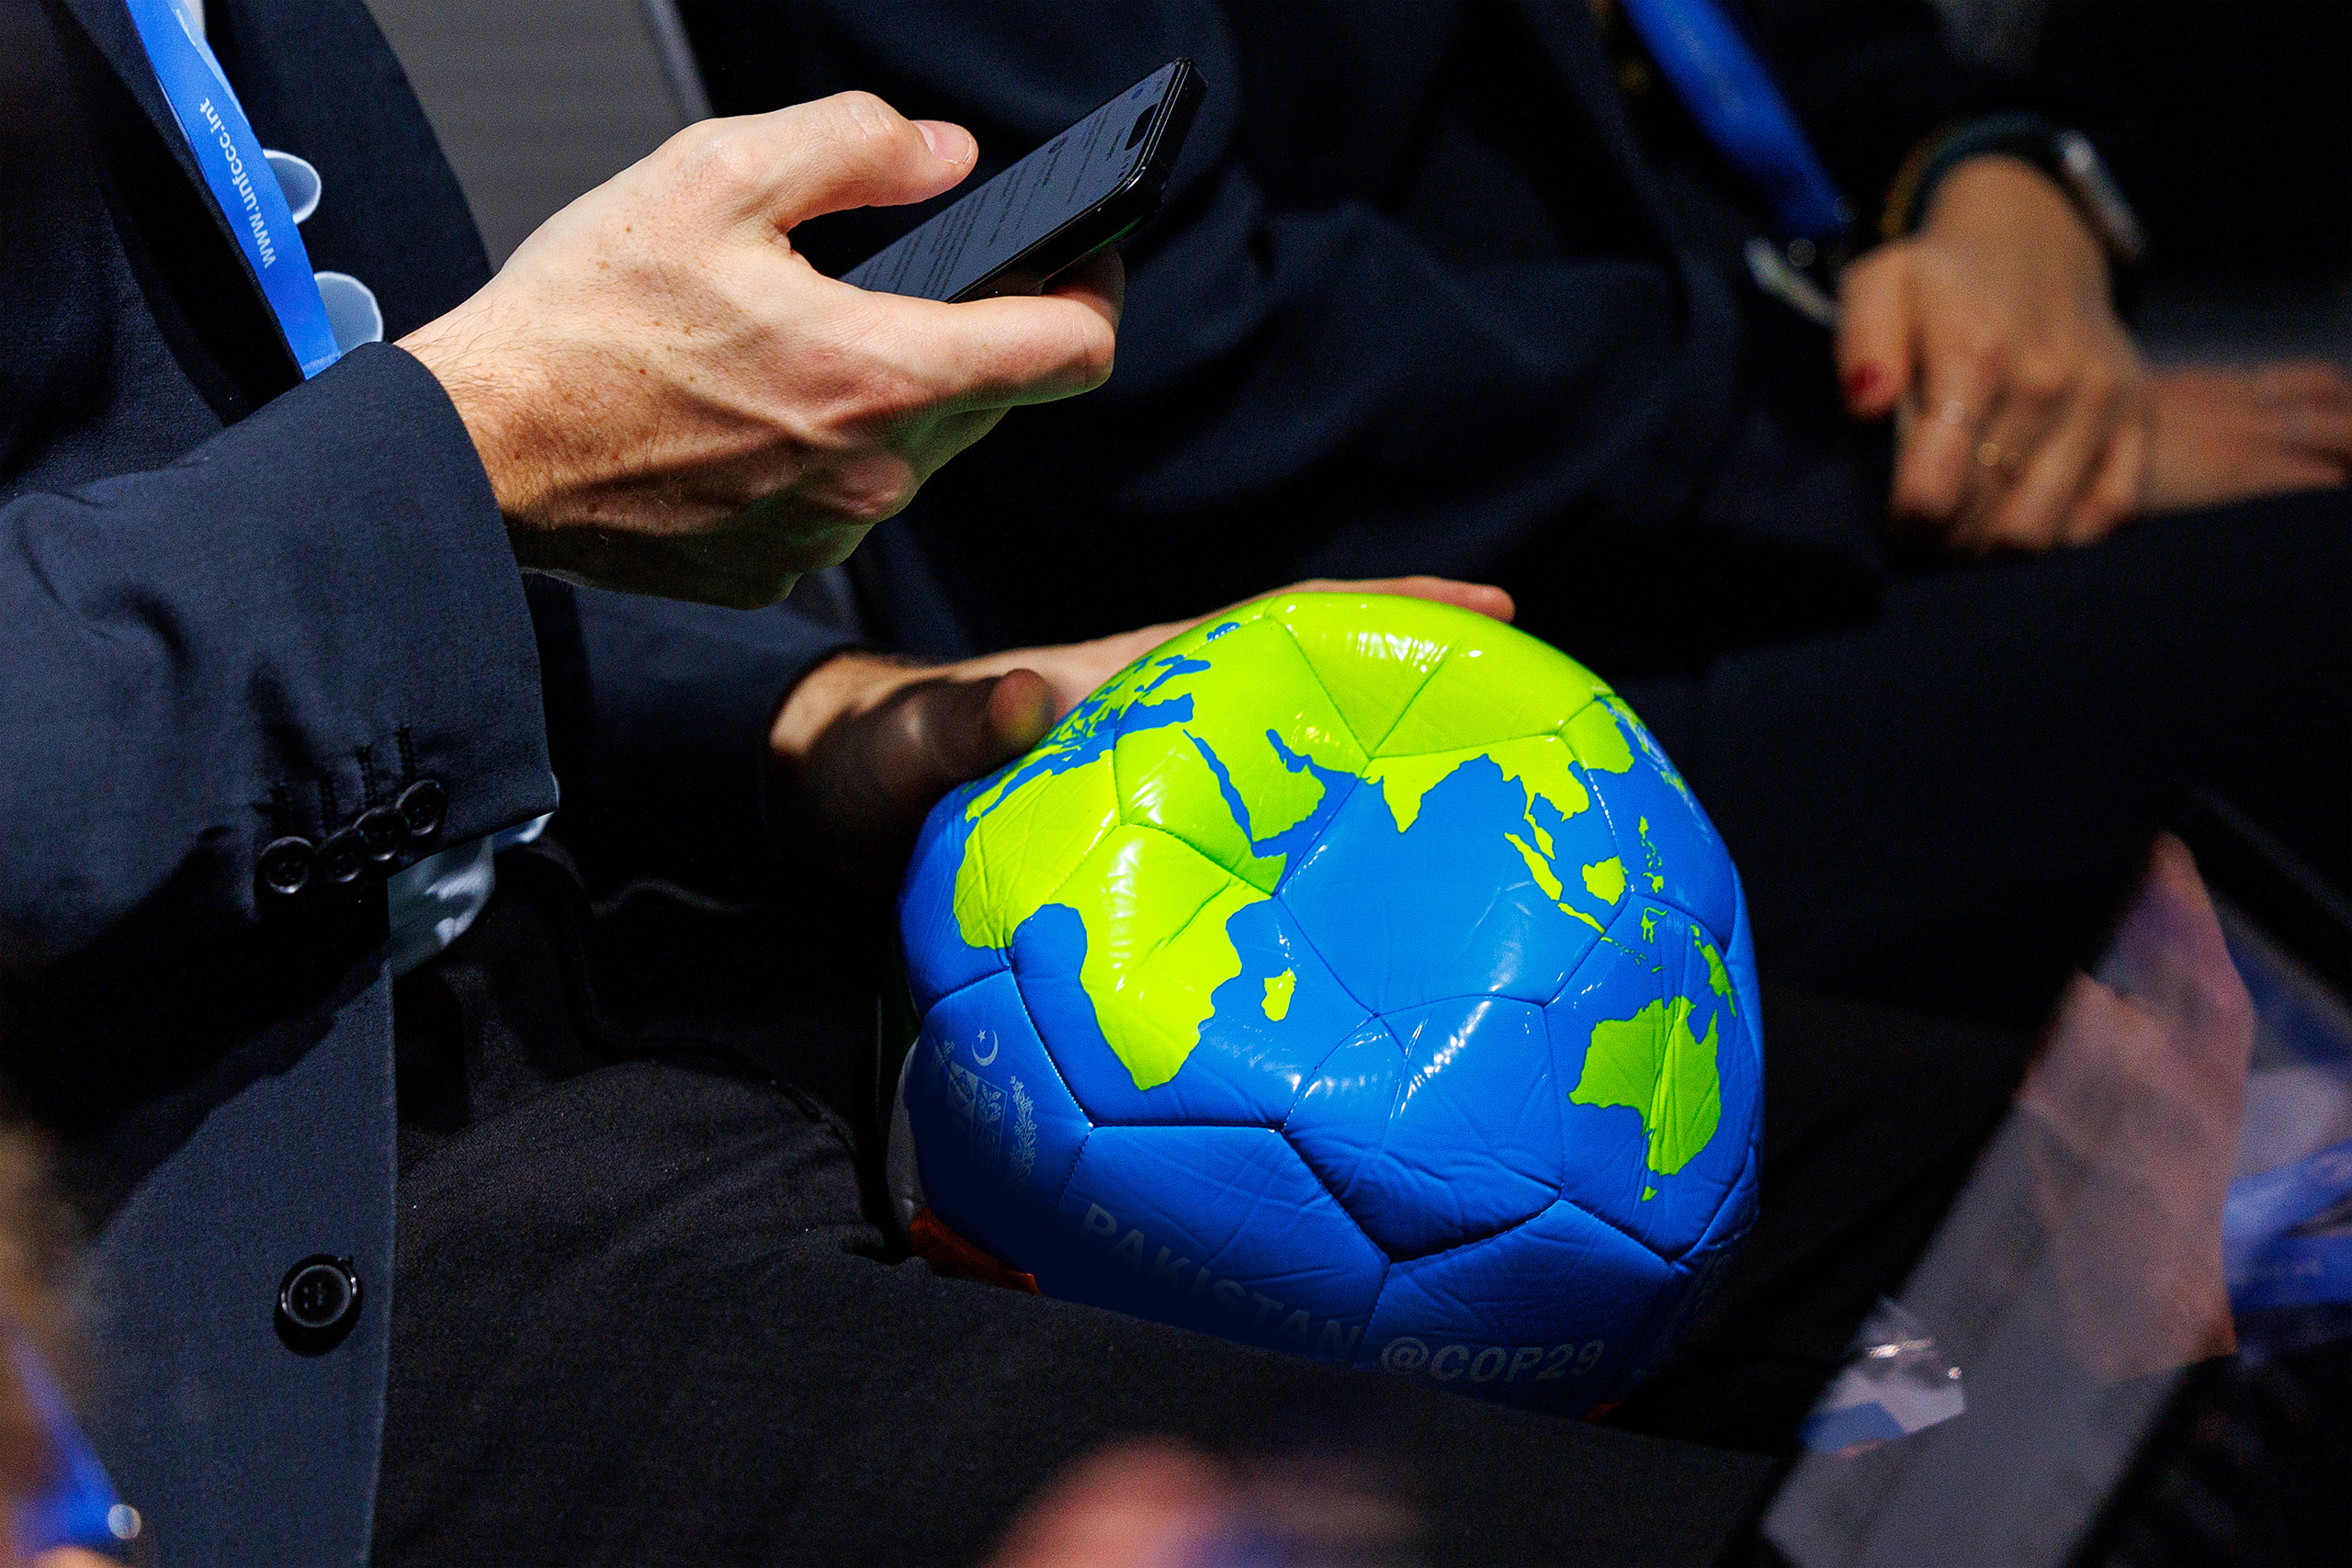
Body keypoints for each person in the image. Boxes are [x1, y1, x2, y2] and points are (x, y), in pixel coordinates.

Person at [680, 0, 2352, 1025]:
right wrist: (1849, 434)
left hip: (1773, 445)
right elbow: (1174, 356)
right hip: (1399, 696)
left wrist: (1985, 167)